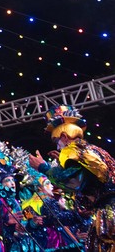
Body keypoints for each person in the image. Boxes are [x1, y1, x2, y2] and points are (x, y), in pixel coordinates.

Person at [28, 105, 115, 252]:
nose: (58, 147)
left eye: (57, 142)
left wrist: (43, 168)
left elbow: (74, 181)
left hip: (109, 216)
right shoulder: (93, 150)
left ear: (64, 137)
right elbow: (81, 212)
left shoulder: (72, 150)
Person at [0, 140, 28, 252]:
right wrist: (6, 221)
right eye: (7, 180)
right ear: (0, 185)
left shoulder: (16, 201)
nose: (12, 183)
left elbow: (24, 220)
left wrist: (28, 223)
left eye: (13, 180)